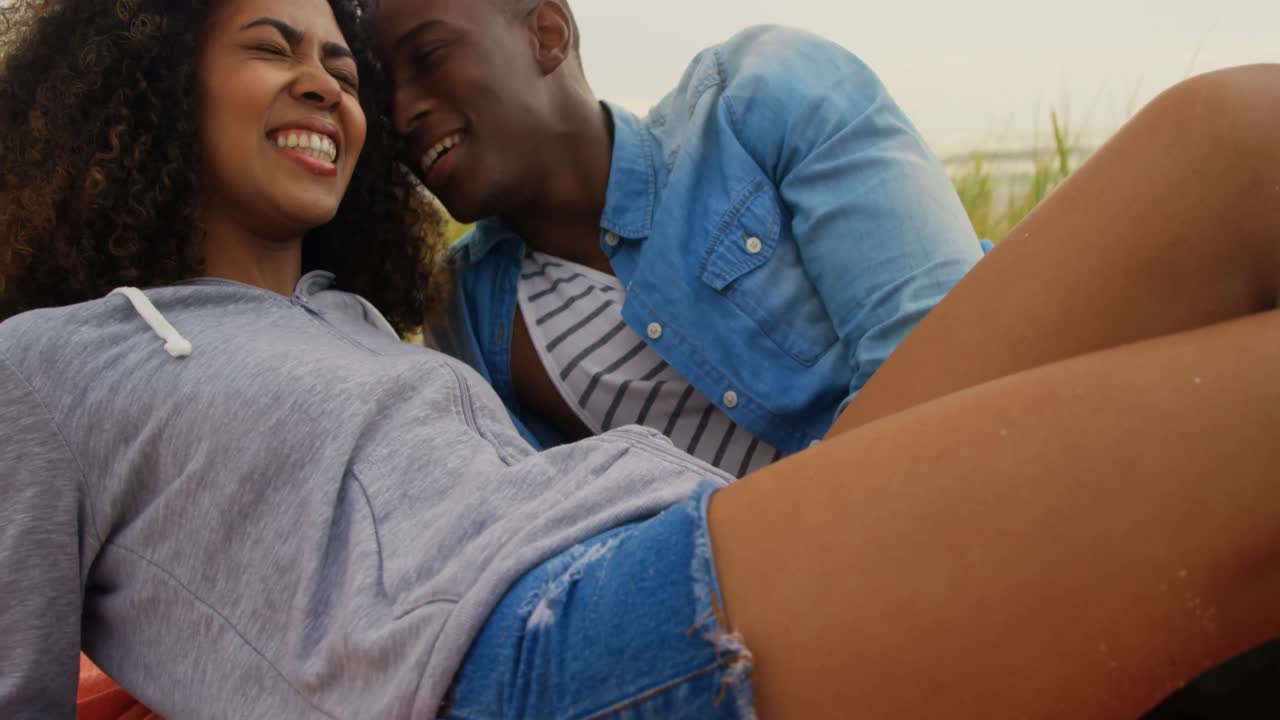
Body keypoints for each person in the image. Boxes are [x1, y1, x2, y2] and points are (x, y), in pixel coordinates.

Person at [1, 1, 1279, 719]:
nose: (334, 91)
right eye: (275, 47)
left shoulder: (360, 325)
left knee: (1230, 138)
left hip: (691, 539)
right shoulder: (52, 365)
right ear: (154, 84)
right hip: (548, 652)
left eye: (346, 70)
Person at [372, 0, 989, 475]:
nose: (401, 115)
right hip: (784, 605)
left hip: (983, 453)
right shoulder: (470, 315)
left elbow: (946, 357)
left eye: (428, 56)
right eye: (381, 92)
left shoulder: (758, 95)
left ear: (548, 33)